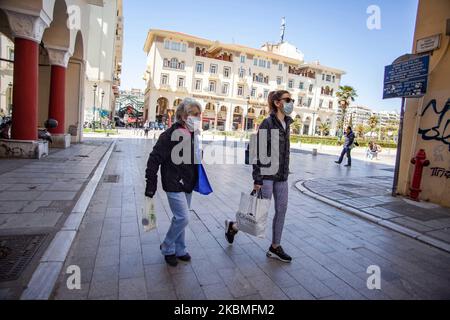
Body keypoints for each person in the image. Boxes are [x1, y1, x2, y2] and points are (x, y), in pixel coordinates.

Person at [225, 90, 294, 263]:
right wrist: (257, 179)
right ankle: (233, 226)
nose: (291, 102)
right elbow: (255, 151)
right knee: (258, 213)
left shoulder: (287, 123)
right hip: (267, 175)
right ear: (277, 103)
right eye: (287, 99)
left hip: (282, 176)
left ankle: (275, 247)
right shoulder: (268, 123)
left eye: (291, 100)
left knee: (282, 210)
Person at [145, 98, 202, 267]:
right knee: (183, 217)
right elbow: (154, 158)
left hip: (187, 183)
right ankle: (167, 246)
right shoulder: (169, 135)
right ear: (185, 116)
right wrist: (151, 182)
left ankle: (180, 249)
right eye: (196, 115)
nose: (199, 118)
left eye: (200, 115)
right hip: (173, 182)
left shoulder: (192, 133)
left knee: (180, 217)